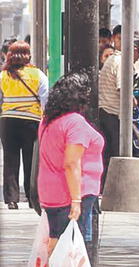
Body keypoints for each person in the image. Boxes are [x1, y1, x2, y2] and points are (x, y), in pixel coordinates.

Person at [37, 72, 104, 255]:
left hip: (50, 191)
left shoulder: (48, 121)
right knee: (75, 248)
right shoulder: (74, 123)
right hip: (74, 192)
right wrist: (76, 200)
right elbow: (71, 163)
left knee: (56, 243)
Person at [0, 41, 48, 209]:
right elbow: (45, 99)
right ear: (28, 55)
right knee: (30, 160)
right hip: (31, 122)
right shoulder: (37, 75)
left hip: (8, 122)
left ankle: (12, 199)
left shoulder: (3, 76)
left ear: (9, 56)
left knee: (10, 160)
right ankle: (31, 196)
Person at [98, 26, 122, 185]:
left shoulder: (113, 59)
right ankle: (111, 186)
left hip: (105, 111)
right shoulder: (119, 60)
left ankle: (105, 185)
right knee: (114, 153)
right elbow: (122, 89)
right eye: (120, 38)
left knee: (107, 153)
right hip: (113, 112)